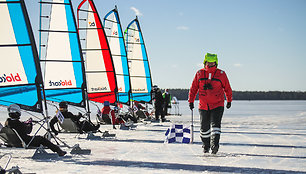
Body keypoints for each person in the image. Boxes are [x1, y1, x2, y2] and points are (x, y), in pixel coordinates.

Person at [188, 53, 232, 154]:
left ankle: (214, 145)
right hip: (203, 105)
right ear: (205, 62)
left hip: (217, 105)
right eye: (209, 62)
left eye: (212, 62)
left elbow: (227, 88)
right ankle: (205, 146)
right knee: (204, 128)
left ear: (216, 63)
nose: (210, 64)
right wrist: (191, 101)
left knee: (215, 126)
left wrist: (229, 100)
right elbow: (193, 88)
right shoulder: (199, 73)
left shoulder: (221, 74)